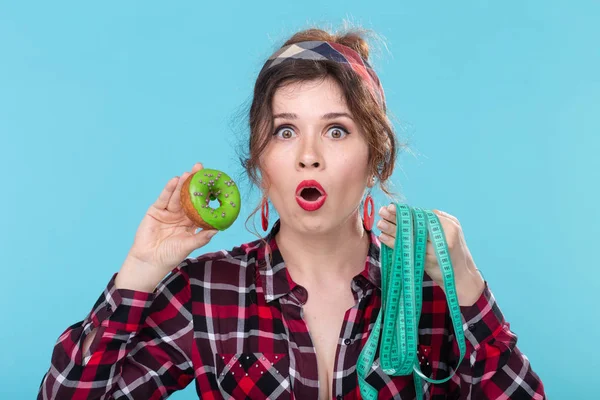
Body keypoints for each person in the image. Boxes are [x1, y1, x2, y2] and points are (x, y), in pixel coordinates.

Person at [37, 27, 546, 400]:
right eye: (285, 131)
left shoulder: (425, 287)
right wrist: (141, 271)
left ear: (376, 161)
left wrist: (468, 285)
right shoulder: (207, 292)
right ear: (260, 164)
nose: (309, 155)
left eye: (336, 130)